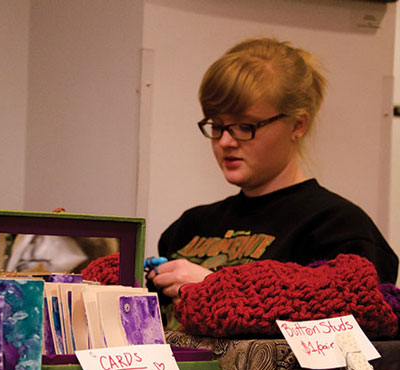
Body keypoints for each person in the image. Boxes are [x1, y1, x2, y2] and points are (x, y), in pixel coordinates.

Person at [147, 37, 399, 313]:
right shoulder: (189, 227)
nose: (225, 141)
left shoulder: (338, 228)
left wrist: (218, 288)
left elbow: (344, 327)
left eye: (245, 126)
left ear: (298, 124)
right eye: (217, 125)